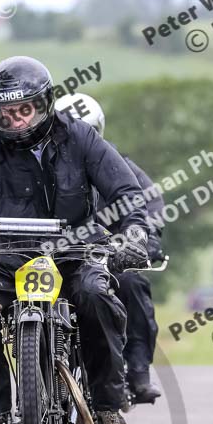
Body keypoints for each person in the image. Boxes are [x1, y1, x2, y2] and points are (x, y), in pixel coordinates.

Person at [0, 56, 149, 424]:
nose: (15, 122)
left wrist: (132, 235)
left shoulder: (81, 138)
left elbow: (126, 192)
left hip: (76, 253)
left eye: (24, 111)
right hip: (11, 256)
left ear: (44, 104)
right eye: (5, 114)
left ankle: (108, 406)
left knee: (98, 298)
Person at [55, 93, 162, 403]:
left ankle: (138, 371)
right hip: (57, 252)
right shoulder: (44, 167)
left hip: (112, 253)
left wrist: (146, 237)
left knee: (131, 283)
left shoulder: (117, 162)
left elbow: (148, 199)